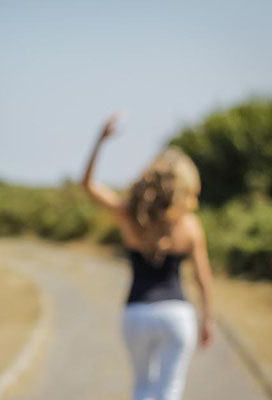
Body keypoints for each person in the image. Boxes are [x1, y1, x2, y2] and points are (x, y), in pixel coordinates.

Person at [81, 114, 213, 400]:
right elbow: (203, 278)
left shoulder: (130, 215)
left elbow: (88, 184)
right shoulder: (190, 224)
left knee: (142, 387)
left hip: (136, 313)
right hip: (177, 315)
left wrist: (100, 140)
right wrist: (207, 320)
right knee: (169, 390)